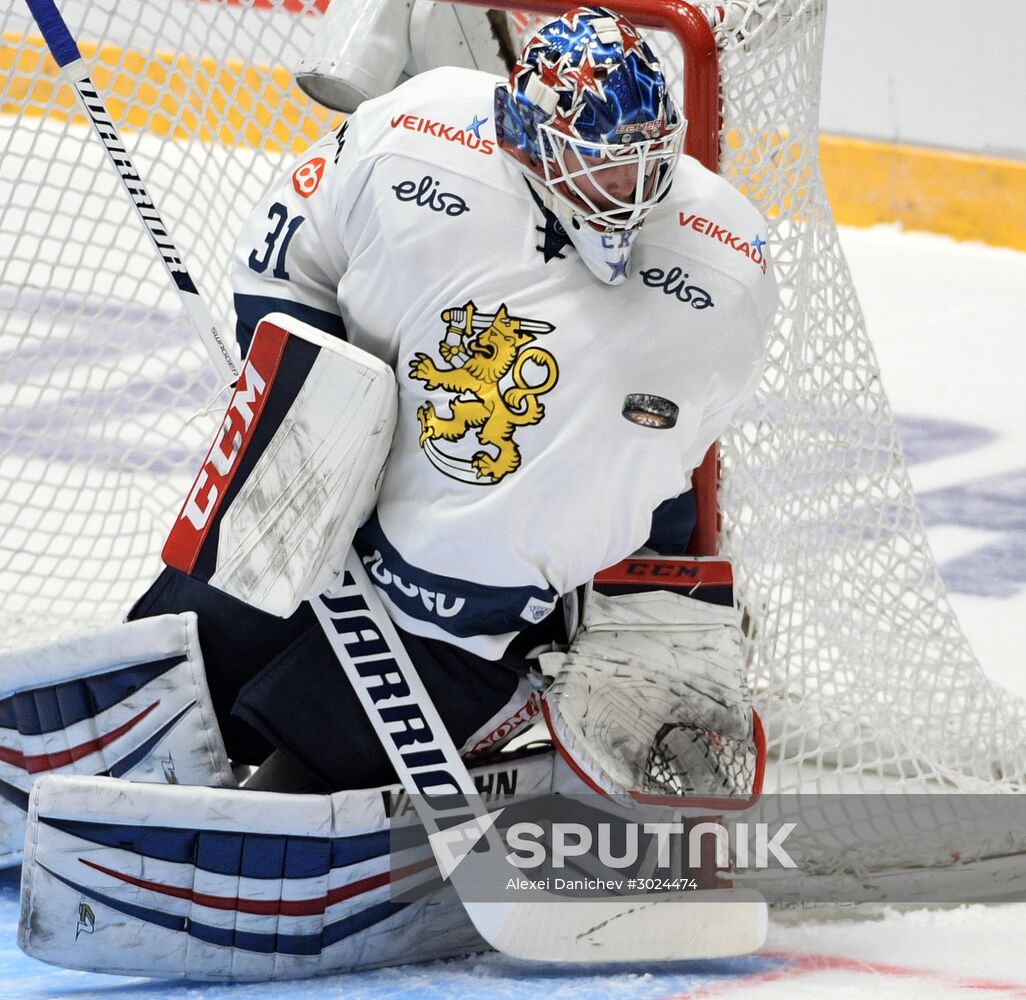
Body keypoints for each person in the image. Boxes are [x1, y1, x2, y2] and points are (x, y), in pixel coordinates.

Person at [125, 6, 778, 794]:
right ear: (526, 138)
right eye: (603, 165)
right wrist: (317, 423)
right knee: (169, 686)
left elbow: (675, 450)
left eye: (647, 162)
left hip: (475, 619)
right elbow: (285, 261)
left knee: (306, 771)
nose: (631, 191)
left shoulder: (730, 262)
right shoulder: (414, 128)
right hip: (311, 515)